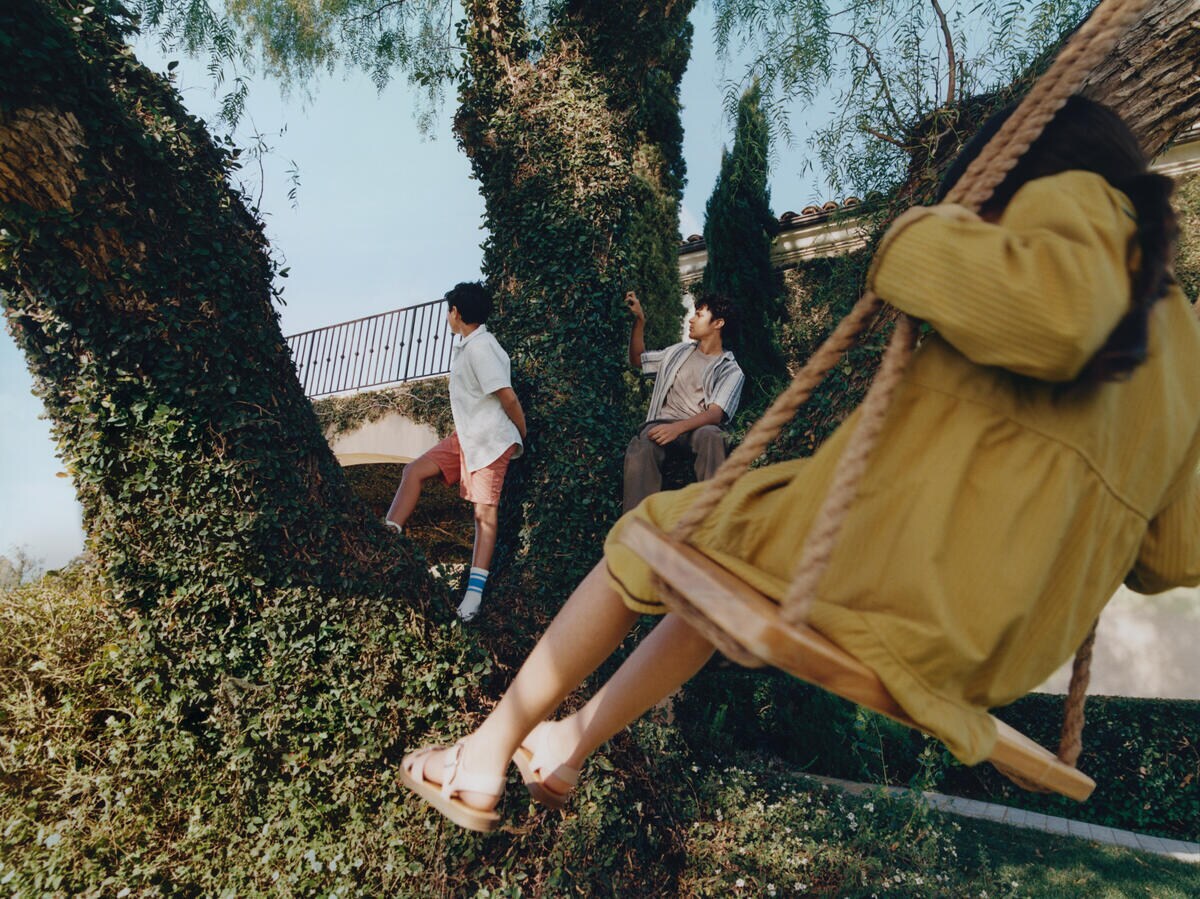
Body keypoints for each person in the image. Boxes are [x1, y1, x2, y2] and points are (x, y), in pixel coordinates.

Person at [398, 96, 1200, 832]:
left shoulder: (1078, 207)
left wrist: (920, 236)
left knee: (643, 539)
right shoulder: (1185, 345)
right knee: (717, 580)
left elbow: (1040, 319)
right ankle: (571, 739)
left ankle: (483, 753)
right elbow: (1176, 553)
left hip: (898, 570)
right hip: (998, 653)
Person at [385, 282, 526, 623]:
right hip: (465, 437)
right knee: (413, 471)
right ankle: (387, 534)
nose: (447, 317)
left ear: (457, 313)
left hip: (491, 440)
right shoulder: (466, 346)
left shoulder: (482, 348)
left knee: (484, 516)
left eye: (449, 310)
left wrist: (522, 432)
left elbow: (506, 395)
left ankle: (473, 597)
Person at [622, 290, 745, 513]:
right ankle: (636, 528)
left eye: (699, 315)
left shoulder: (731, 369)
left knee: (712, 436)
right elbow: (637, 360)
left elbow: (717, 413)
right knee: (642, 445)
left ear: (718, 323)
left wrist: (678, 428)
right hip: (662, 423)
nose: (691, 319)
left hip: (698, 428)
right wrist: (640, 320)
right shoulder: (677, 352)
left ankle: (713, 516)